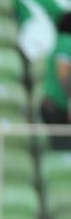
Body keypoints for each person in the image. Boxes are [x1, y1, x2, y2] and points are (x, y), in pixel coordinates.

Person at [39, 13, 71, 150]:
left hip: (52, 104)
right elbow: (63, 75)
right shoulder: (66, 42)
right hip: (57, 106)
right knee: (64, 149)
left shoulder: (59, 42)